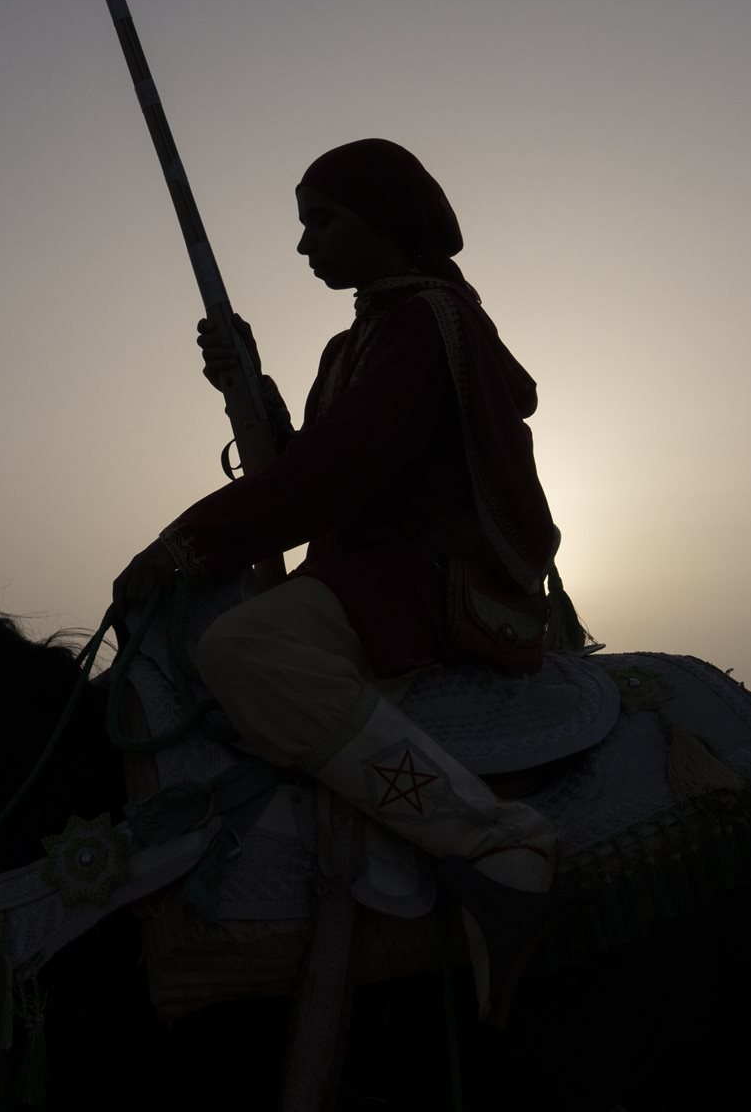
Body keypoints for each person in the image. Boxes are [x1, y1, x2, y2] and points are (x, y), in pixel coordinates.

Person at [112, 137, 568, 1023]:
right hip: (366, 569)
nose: (304, 244)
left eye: (322, 220)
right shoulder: (355, 340)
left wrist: (185, 543)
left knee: (240, 645)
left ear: (385, 220)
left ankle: (495, 844)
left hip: (422, 579)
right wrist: (249, 391)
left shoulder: (430, 322)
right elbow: (311, 467)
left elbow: (341, 472)